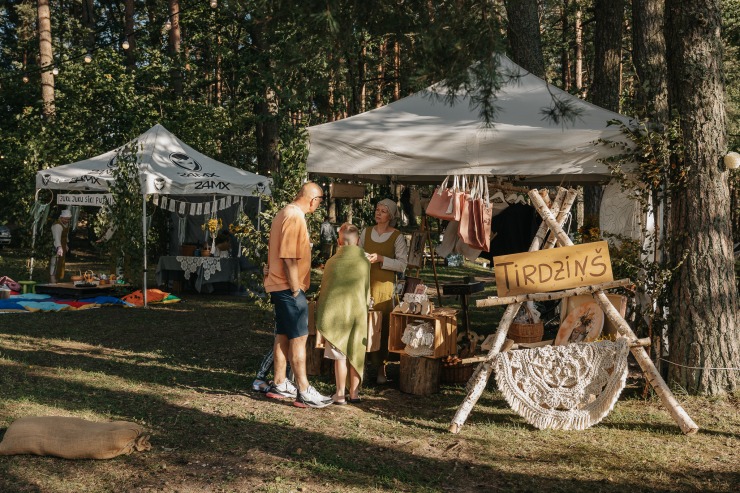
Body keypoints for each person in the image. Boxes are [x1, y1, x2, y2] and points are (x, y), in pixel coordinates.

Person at [263, 182, 332, 408]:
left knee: (283, 334)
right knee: (299, 338)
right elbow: (289, 257)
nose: (319, 205)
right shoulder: (295, 216)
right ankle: (303, 390)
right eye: (320, 201)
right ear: (313, 199)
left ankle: (280, 383)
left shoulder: (283, 212)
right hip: (287, 286)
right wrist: (295, 287)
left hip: (277, 284)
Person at [316, 223, 371, 404]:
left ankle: (340, 394)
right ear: (358, 241)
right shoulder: (364, 262)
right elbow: (366, 290)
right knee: (355, 351)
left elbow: (325, 291)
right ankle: (354, 394)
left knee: (339, 355)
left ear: (339, 240)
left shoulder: (332, 262)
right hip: (357, 314)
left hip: (336, 315)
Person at [360, 198, 408, 383]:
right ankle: (360, 367)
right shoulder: (366, 231)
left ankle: (381, 371)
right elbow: (356, 253)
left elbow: (402, 265)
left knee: (382, 327)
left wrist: (381, 259)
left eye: (383, 211)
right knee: (362, 325)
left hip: (384, 287)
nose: (378, 213)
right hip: (364, 284)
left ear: (391, 215)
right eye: (377, 209)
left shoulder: (397, 236)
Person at [49, 209, 72, 284]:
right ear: (61, 218)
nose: (66, 220)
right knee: (54, 262)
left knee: (60, 263)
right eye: (65, 219)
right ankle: (52, 279)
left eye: (68, 219)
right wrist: (59, 247)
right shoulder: (57, 225)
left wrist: (66, 244)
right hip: (55, 245)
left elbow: (66, 235)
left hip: (62, 244)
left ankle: (57, 278)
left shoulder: (66, 224)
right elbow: (57, 237)